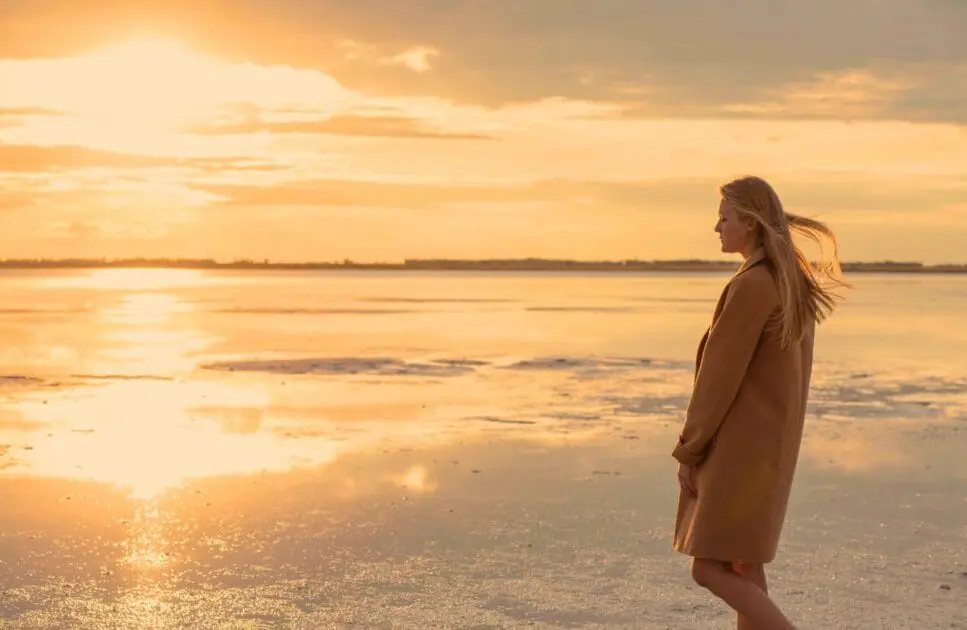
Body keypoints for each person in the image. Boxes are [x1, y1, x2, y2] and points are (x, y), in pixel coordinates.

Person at [671, 175, 850, 629]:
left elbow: (717, 381)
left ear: (750, 223)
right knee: (745, 566)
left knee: (707, 568)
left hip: (738, 452)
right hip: (770, 450)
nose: (717, 227)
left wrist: (689, 451)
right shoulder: (787, 283)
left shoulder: (753, 285)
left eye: (724, 218)